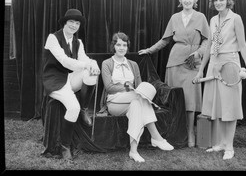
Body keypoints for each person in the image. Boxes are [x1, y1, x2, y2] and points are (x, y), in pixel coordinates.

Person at [138, 0, 210, 147]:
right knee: (175, 98)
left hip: (193, 62)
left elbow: (207, 40)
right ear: (180, 0)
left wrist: (198, 54)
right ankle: (176, 133)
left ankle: (190, 132)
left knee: (191, 100)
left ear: (195, 1)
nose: (187, 0)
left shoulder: (201, 17)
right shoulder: (174, 17)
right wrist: (149, 50)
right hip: (175, 61)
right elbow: (165, 40)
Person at [192, 0, 246, 160]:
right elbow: (210, 45)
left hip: (230, 64)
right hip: (213, 64)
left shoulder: (236, 19)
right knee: (216, 107)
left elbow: (242, 45)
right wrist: (201, 69)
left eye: (222, 0)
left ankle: (229, 147)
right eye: (216, 0)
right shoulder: (212, 19)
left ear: (228, 1)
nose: (219, 3)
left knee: (229, 107)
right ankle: (219, 144)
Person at [100, 32, 174, 163]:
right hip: (114, 102)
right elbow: (109, 87)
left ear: (127, 47)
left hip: (133, 100)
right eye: (118, 45)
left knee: (136, 103)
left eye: (124, 45)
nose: (121, 48)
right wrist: (128, 88)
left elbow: (139, 87)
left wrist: (138, 90)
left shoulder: (133, 64)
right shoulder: (107, 63)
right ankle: (156, 137)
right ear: (113, 46)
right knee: (140, 98)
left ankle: (133, 151)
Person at [42, 8, 100, 160]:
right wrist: (86, 65)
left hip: (69, 78)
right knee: (72, 107)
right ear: (64, 23)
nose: (74, 26)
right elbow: (64, 61)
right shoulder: (52, 38)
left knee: (91, 72)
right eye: (71, 22)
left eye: (77, 23)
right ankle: (65, 147)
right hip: (55, 80)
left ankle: (84, 109)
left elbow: (84, 58)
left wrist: (93, 63)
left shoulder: (78, 42)